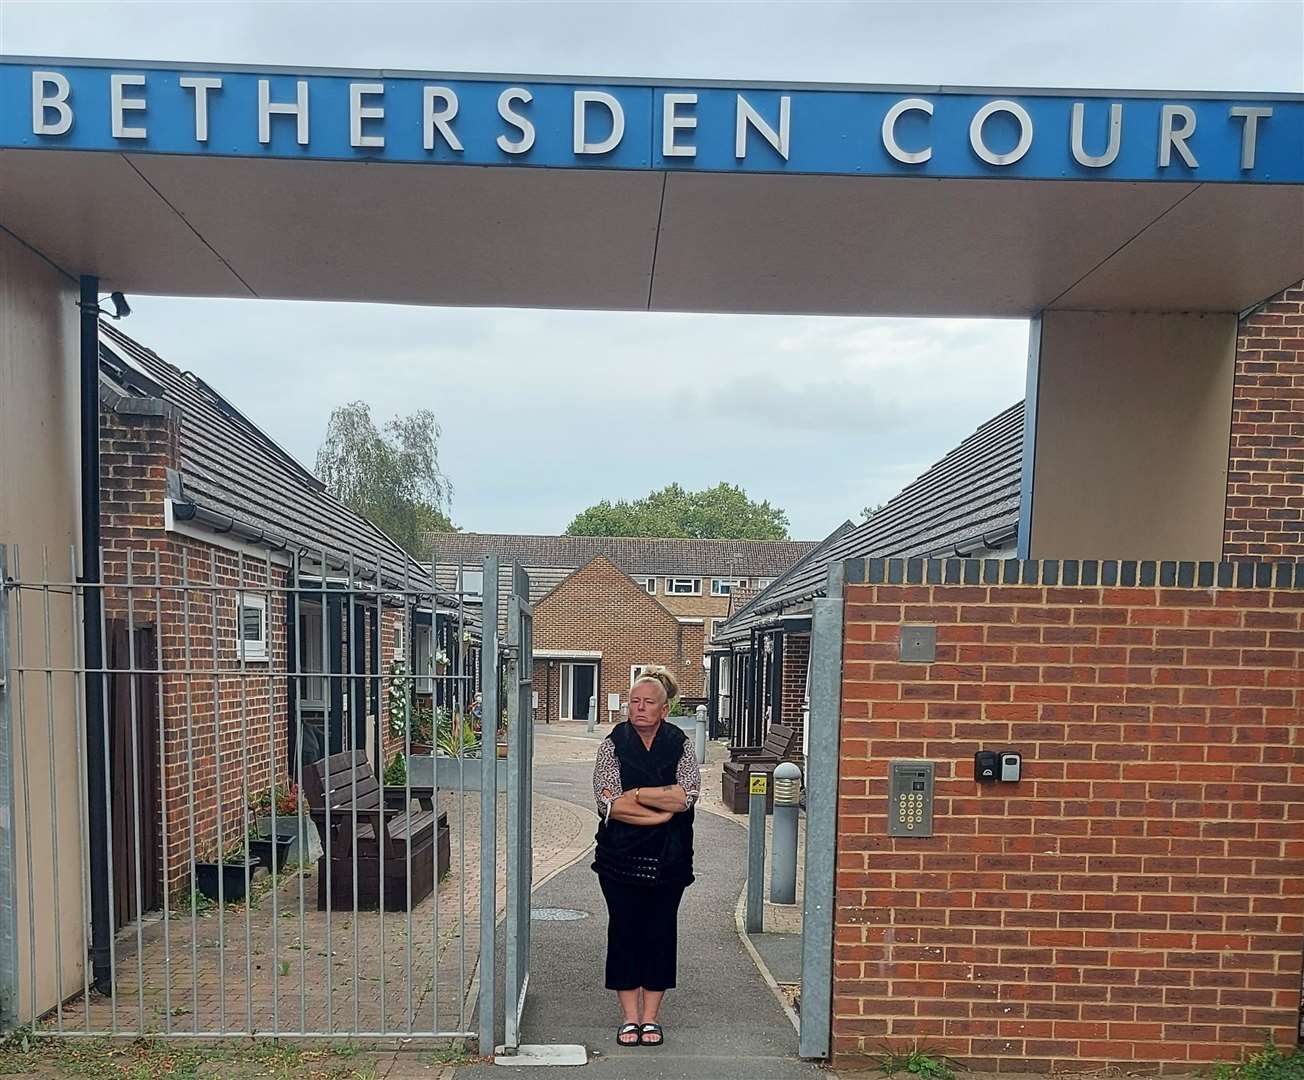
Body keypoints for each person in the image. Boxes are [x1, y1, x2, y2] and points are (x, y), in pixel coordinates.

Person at [591, 666, 700, 1048]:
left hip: (670, 860)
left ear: (664, 709)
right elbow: (609, 804)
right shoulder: (612, 743)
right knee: (624, 931)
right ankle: (629, 1018)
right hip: (619, 859)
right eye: (634, 701)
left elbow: (686, 795)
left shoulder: (681, 744)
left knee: (659, 933)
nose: (639, 708)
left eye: (648, 702)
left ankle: (651, 1018)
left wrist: (634, 794)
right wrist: (655, 805)